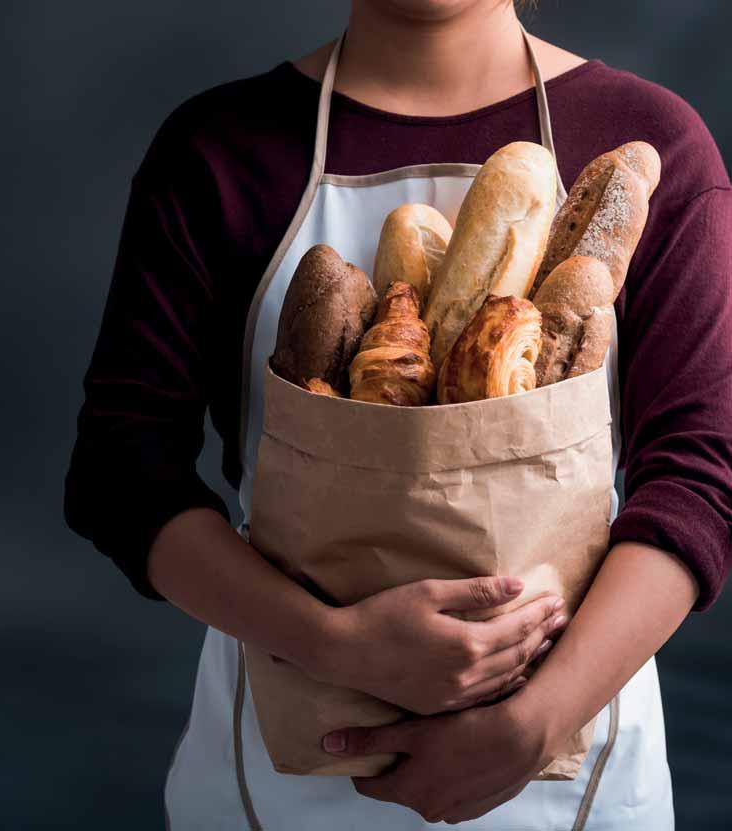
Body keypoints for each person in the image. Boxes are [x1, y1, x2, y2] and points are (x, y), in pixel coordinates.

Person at [63, 0, 732, 828]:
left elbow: (699, 477)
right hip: (276, 775)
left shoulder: (646, 137)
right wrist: (331, 642)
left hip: (575, 773)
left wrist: (535, 719)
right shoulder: (219, 151)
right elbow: (120, 473)